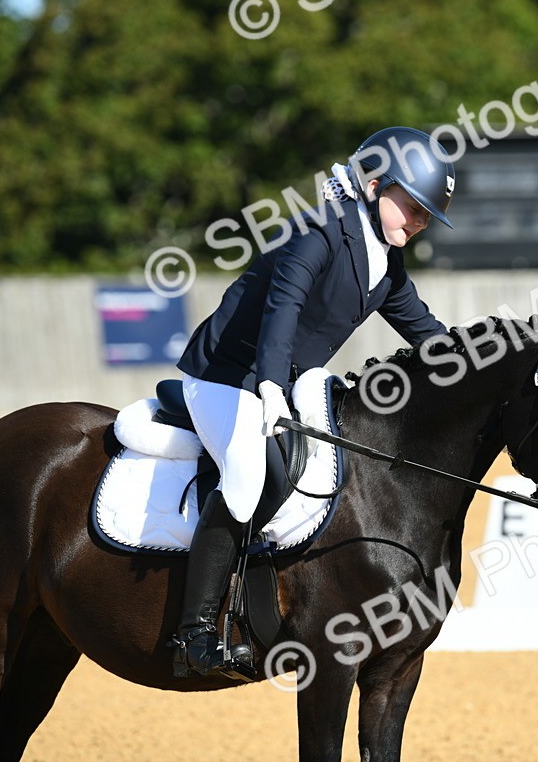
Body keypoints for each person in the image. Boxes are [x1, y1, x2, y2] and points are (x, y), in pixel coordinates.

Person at [169, 126, 454, 677]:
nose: (419, 222)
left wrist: (486, 360)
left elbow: (429, 336)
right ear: (373, 186)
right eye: (412, 207)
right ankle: (195, 631)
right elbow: (284, 309)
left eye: (426, 215)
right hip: (229, 376)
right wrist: (272, 387)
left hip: (281, 382)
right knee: (251, 475)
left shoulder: (385, 265)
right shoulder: (318, 231)